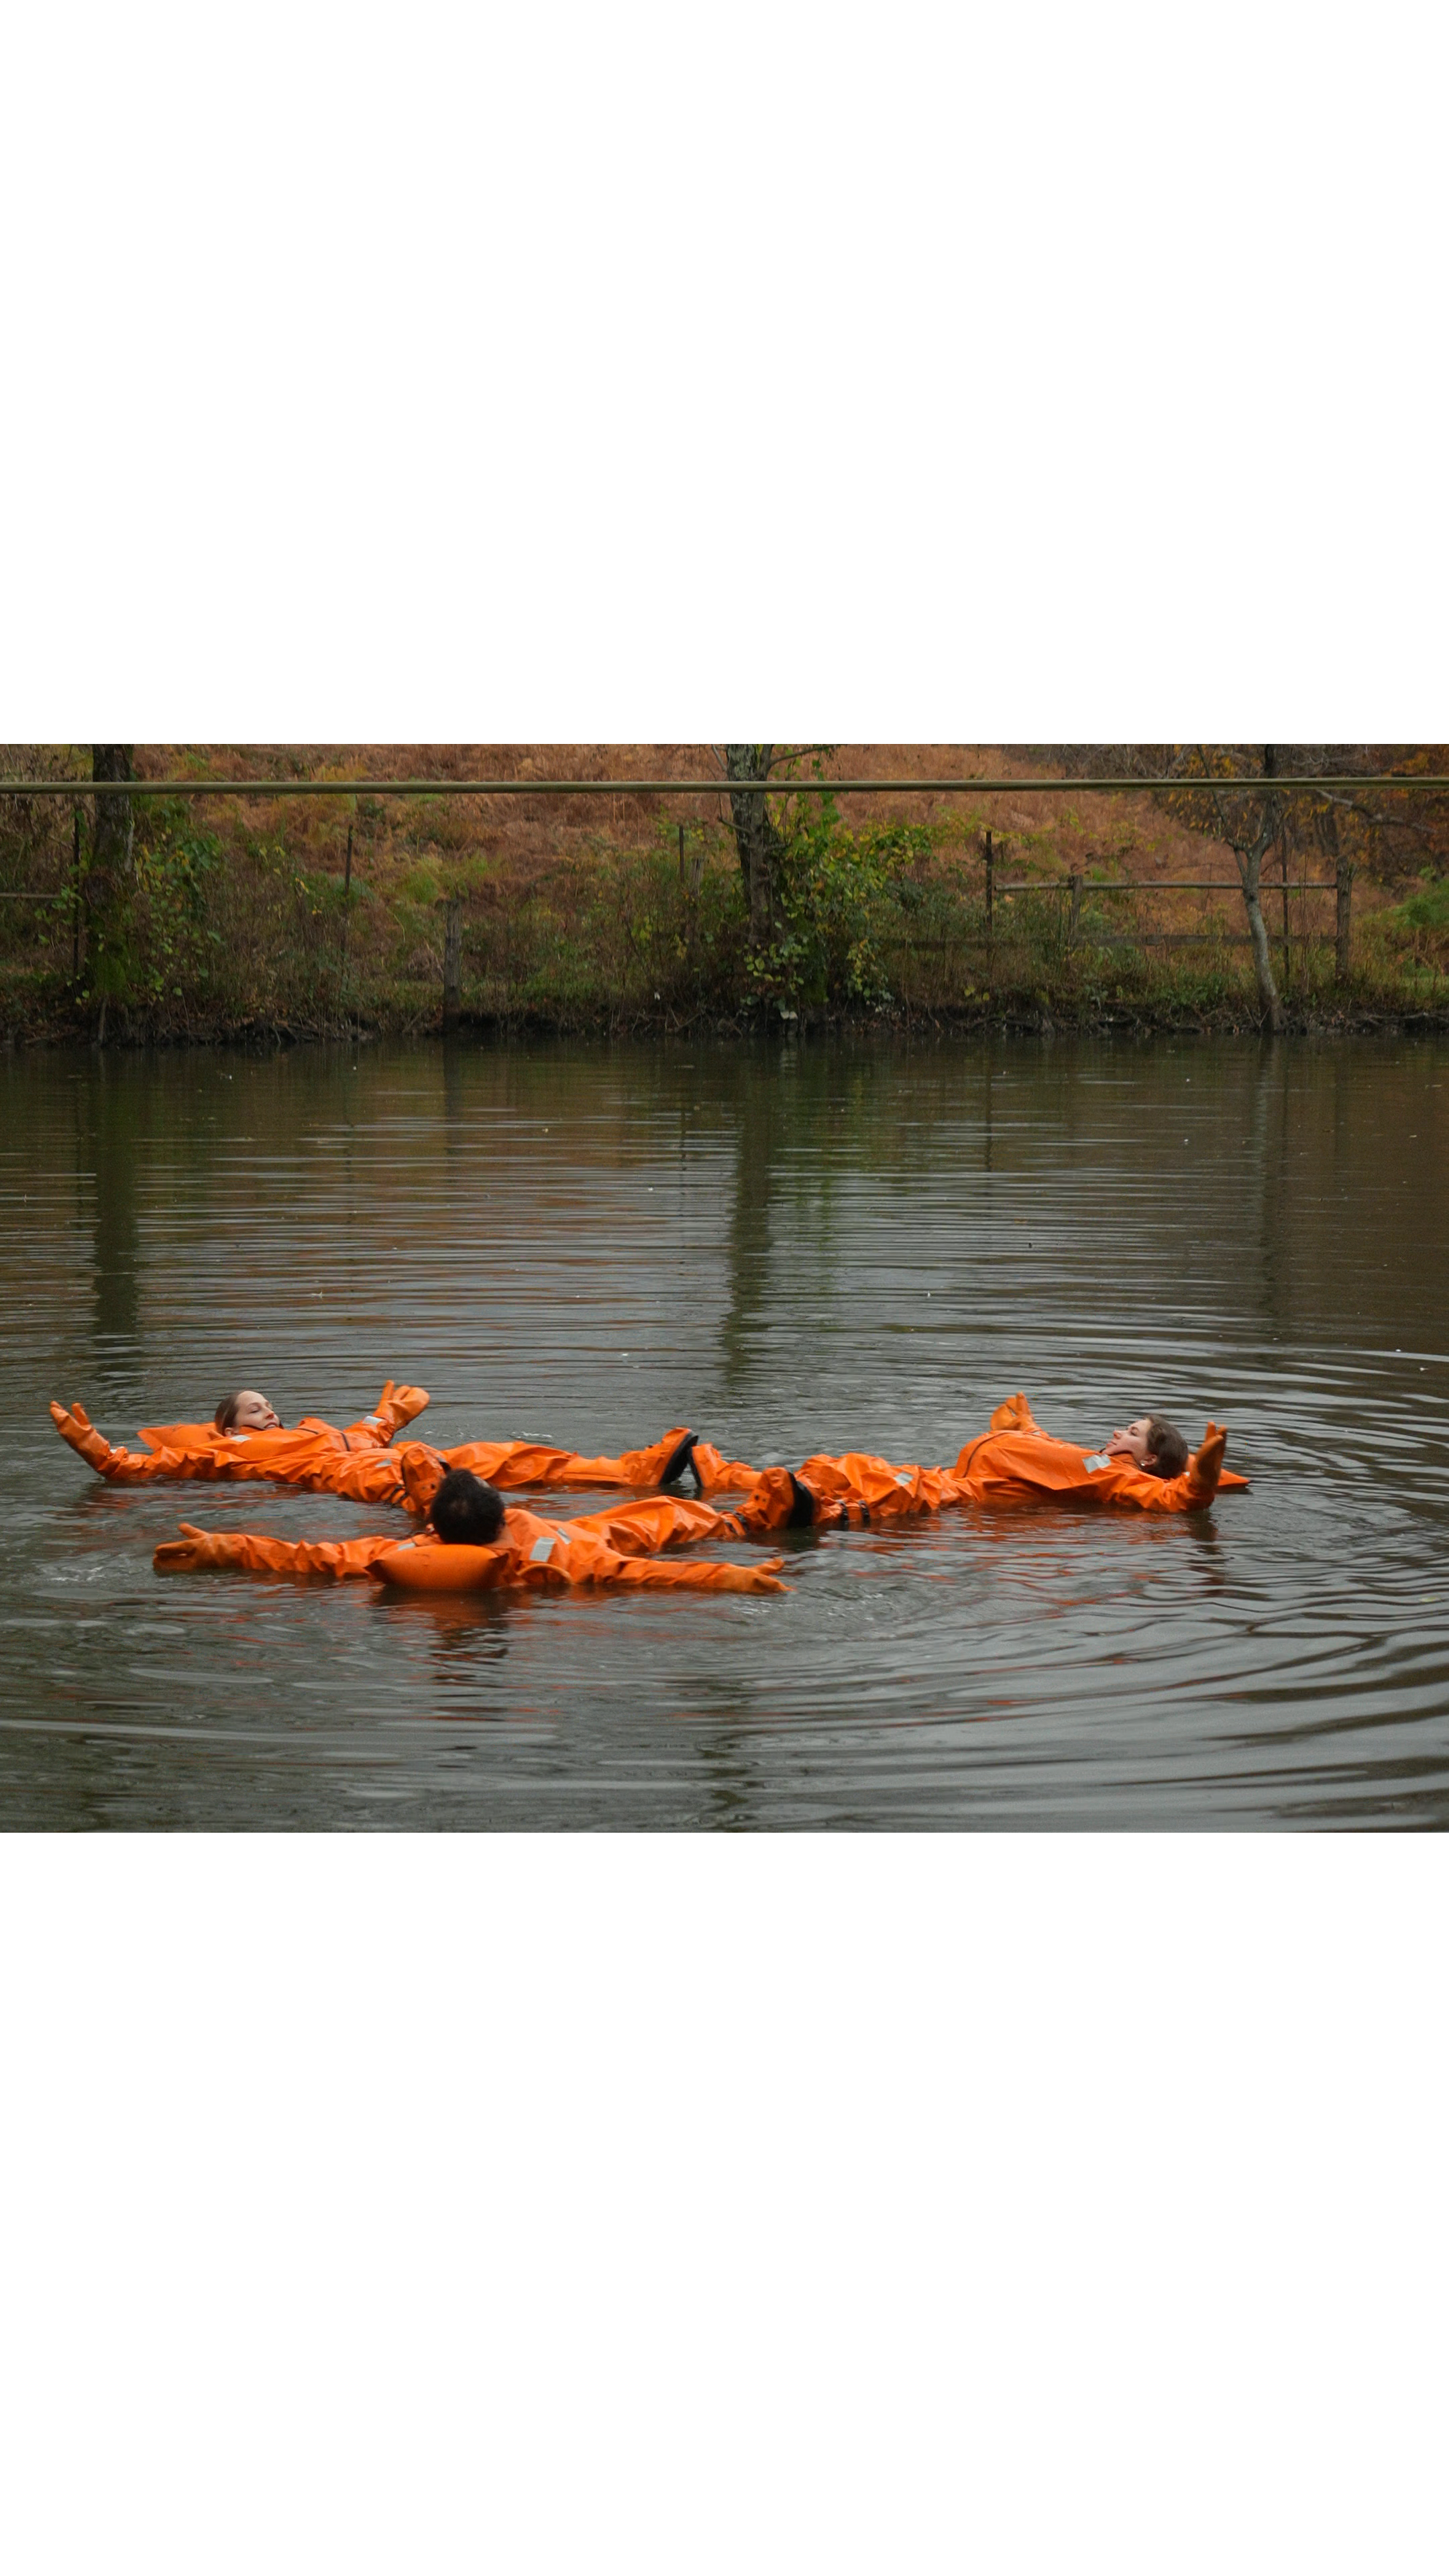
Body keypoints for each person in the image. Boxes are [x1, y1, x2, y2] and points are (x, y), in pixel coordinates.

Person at [154, 1468, 788, 1598]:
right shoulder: (557, 1552)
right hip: (584, 1539)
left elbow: (312, 1558)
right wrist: (726, 1575)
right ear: (504, 1513)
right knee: (673, 1517)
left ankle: (747, 1520)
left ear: (430, 1526)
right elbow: (643, 1575)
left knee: (658, 1520)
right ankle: (759, 1518)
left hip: (578, 1539)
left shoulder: (401, 1555)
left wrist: (228, 1547)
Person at [51, 1387, 702, 1513]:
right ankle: (435, 1507)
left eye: (268, 1403)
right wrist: (101, 1454)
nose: (268, 1410)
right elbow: (151, 1468)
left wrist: (390, 1412)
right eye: (255, 1408)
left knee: (508, 1455)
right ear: (228, 1427)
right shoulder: (232, 1454)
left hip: (387, 1452)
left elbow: (363, 1434)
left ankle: (636, 1471)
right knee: (412, 1475)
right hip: (359, 1479)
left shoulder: (306, 1428)